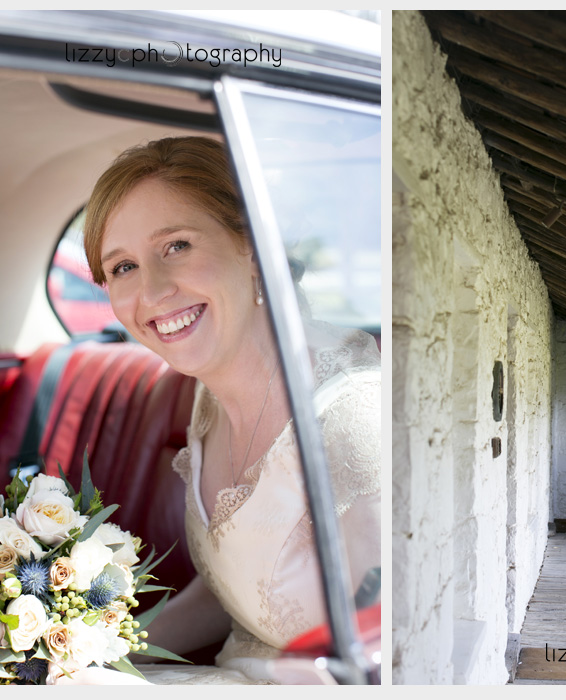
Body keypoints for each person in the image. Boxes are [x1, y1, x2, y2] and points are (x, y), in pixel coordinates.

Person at [80, 136, 381, 683]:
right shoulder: (207, 404)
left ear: (254, 246)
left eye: (176, 246)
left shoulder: (353, 422)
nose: (152, 290)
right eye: (122, 267)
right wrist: (88, 651)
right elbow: (240, 591)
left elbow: (387, 654)